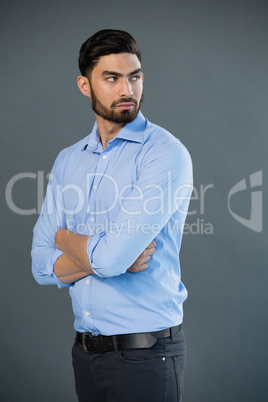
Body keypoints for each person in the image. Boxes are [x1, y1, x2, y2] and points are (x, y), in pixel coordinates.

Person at [31, 29, 193, 402]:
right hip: (85, 355)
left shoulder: (164, 154)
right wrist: (105, 255)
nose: (127, 90)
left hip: (145, 357)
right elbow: (40, 265)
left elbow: (111, 257)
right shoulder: (69, 159)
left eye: (135, 76)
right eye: (112, 78)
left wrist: (66, 240)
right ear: (84, 85)